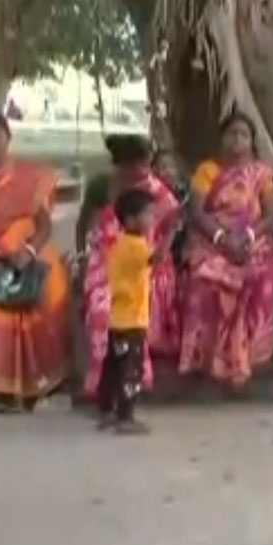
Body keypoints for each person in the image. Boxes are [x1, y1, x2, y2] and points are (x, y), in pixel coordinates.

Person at [0, 112, 70, 405]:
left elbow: (44, 224)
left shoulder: (28, 176)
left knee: (52, 283)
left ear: (8, 139)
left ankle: (47, 378)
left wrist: (30, 251)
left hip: (24, 252)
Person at [177, 112, 273, 389]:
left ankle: (247, 357)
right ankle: (209, 361)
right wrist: (221, 238)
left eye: (244, 135)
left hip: (253, 239)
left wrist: (248, 237)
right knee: (205, 279)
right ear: (222, 139)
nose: (238, 140)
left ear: (252, 141)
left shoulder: (262, 173)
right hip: (211, 239)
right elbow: (197, 212)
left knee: (263, 274)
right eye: (232, 134)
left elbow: (271, 213)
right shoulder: (207, 170)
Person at [81, 134, 180, 402]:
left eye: (145, 164)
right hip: (104, 259)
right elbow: (86, 226)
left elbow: (169, 230)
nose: (142, 171)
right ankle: (104, 385)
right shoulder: (102, 187)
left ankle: (130, 382)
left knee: (136, 303)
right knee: (102, 306)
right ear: (121, 165)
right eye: (135, 165)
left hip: (144, 260)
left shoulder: (159, 192)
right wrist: (82, 261)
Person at [97, 187, 175, 434]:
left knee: (113, 368)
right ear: (131, 219)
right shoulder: (135, 245)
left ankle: (108, 410)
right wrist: (172, 231)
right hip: (131, 322)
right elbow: (157, 258)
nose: (152, 220)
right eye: (148, 215)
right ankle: (125, 416)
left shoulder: (120, 242)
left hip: (117, 320)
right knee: (131, 370)